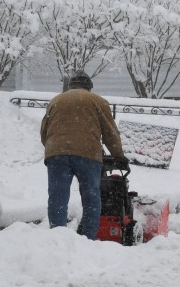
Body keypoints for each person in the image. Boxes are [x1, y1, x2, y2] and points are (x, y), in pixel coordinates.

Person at [40, 71, 127, 239]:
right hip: (87, 154)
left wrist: (57, 148)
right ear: (89, 88)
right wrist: (119, 155)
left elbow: (44, 132)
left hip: (57, 154)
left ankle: (58, 236)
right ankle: (88, 238)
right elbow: (110, 132)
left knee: (58, 196)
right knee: (91, 196)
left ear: (70, 86)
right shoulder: (97, 101)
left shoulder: (56, 101)